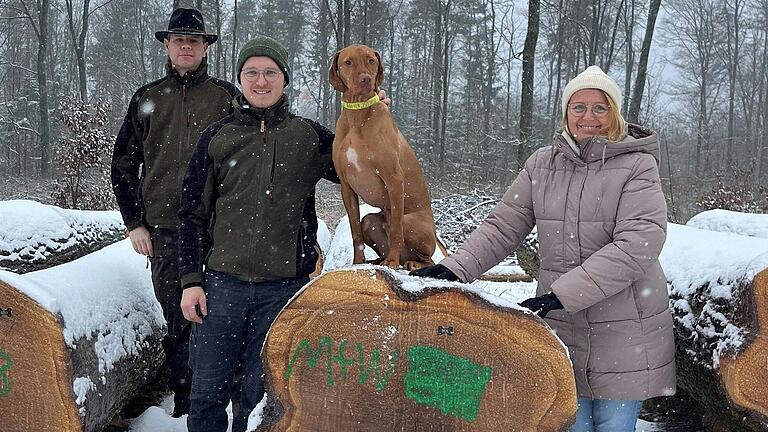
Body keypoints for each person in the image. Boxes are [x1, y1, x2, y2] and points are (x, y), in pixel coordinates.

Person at [411, 65, 675, 432]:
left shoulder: (637, 166)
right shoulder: (542, 164)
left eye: (600, 108)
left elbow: (637, 245)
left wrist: (561, 294)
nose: (588, 117)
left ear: (615, 113)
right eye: (578, 107)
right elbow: (505, 224)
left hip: (624, 326)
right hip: (561, 324)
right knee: (571, 424)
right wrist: (456, 267)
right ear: (566, 112)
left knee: (613, 425)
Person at [177, 36, 389, 432]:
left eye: (270, 72)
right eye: (252, 72)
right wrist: (191, 281)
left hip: (282, 291)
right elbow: (189, 215)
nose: (261, 81)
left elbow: (362, 165)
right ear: (240, 79)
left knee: (263, 399)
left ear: (284, 79)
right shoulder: (217, 137)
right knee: (206, 394)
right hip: (220, 288)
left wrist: (373, 118)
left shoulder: (309, 136)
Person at [110, 7, 238, 418]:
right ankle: (184, 407)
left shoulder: (226, 98)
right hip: (164, 232)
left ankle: (219, 402)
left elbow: (256, 150)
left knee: (219, 319)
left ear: (205, 49)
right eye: (179, 39)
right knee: (177, 319)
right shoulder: (147, 98)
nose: (186, 46)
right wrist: (135, 223)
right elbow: (123, 166)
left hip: (220, 231)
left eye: (194, 40)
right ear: (166, 45)